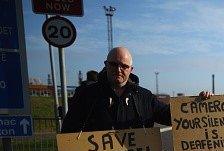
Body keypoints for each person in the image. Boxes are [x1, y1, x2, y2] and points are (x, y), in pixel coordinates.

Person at [61, 46, 211, 133]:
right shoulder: (87, 95)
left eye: (124, 66)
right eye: (114, 64)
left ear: (131, 69)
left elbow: (171, 116)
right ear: (106, 64)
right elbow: (68, 132)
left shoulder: (144, 97)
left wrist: (198, 104)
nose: (119, 69)